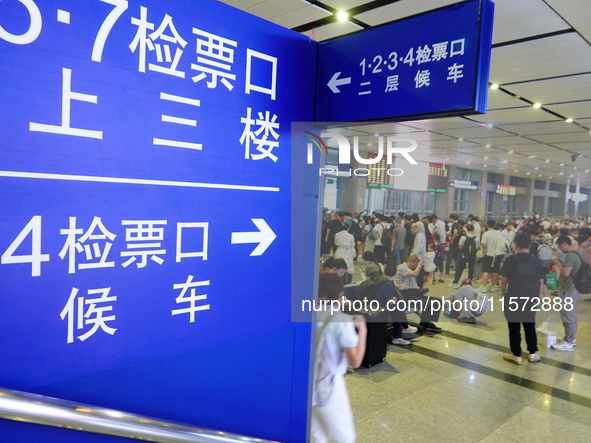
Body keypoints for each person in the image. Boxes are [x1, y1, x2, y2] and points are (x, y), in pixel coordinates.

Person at [312, 273, 367, 443]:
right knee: (345, 437)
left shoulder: (308, 310)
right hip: (329, 385)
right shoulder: (341, 320)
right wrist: (363, 330)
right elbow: (356, 361)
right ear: (340, 295)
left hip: (305, 382)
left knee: (316, 435)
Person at [500, 234, 544, 364]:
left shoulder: (511, 260)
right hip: (530, 297)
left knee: (514, 326)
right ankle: (532, 354)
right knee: (530, 324)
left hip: (513, 296)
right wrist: (539, 296)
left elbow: (504, 279)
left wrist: (503, 295)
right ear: (529, 246)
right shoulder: (536, 261)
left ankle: (517, 355)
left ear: (516, 245)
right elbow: (541, 281)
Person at [394, 255, 442, 335]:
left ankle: (428, 323)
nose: (416, 266)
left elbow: (413, 284)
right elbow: (414, 274)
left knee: (437, 301)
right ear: (410, 261)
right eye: (415, 264)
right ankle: (423, 325)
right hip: (405, 296)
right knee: (428, 304)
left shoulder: (411, 269)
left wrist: (420, 290)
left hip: (414, 293)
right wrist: (419, 265)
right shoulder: (401, 267)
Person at [551, 236, 582, 351]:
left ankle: (569, 342)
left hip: (570, 289)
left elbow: (565, 272)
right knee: (568, 313)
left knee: (568, 314)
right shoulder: (577, 253)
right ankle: (569, 338)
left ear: (564, 244)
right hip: (572, 288)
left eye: (560, 246)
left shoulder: (570, 255)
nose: (560, 249)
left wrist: (557, 262)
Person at [449, 224, 480, 288]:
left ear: (467, 230)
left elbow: (460, 247)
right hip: (472, 256)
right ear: (473, 230)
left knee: (460, 269)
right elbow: (478, 248)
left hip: (464, 256)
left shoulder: (463, 237)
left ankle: (455, 282)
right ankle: (469, 283)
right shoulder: (476, 238)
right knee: (471, 269)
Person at [480, 220, 504, 293]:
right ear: (494, 225)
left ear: (487, 225)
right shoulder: (499, 233)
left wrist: (483, 254)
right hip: (498, 254)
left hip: (488, 254)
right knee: (495, 271)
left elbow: (484, 245)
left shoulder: (486, 234)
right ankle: (492, 286)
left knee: (486, 270)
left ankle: (483, 286)